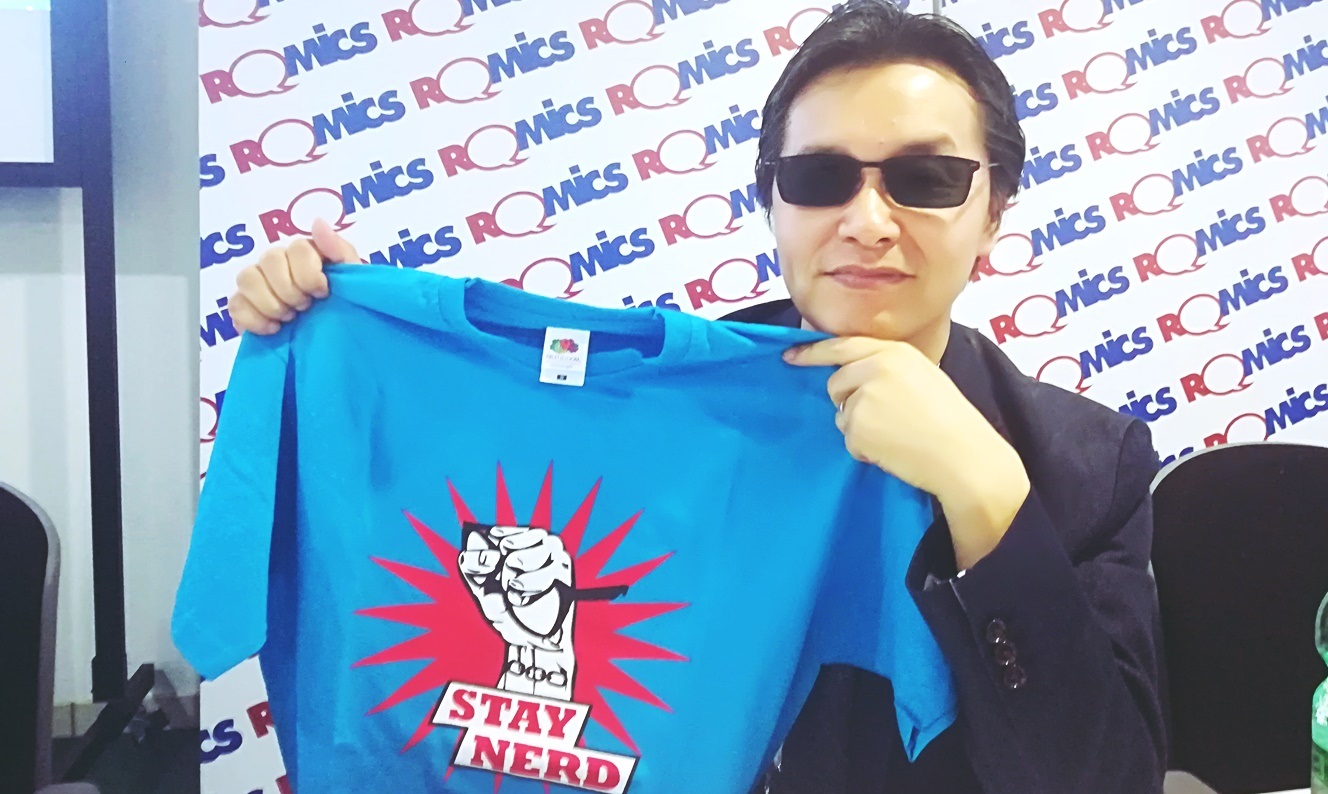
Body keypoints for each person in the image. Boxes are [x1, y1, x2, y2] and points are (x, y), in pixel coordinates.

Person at [223, 1, 1168, 792]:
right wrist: (354, 342)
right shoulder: (669, 405)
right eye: (819, 177)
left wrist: (988, 501)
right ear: (772, 204)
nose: (868, 221)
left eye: (926, 179)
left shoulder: (1088, 464)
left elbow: (1111, 780)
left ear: (993, 211)